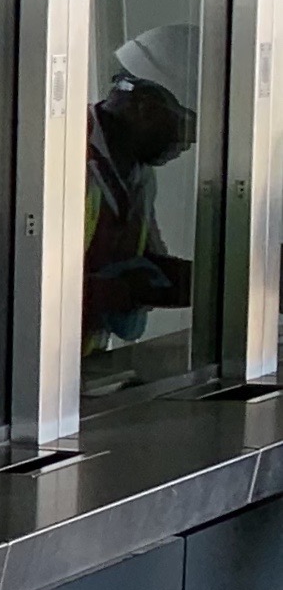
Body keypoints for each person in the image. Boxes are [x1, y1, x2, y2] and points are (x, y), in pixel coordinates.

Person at [85, 22, 199, 350]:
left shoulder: (139, 175)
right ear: (146, 105)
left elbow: (151, 270)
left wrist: (241, 283)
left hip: (77, 366)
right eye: (187, 125)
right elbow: (25, 285)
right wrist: (123, 291)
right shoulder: (64, 160)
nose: (188, 142)